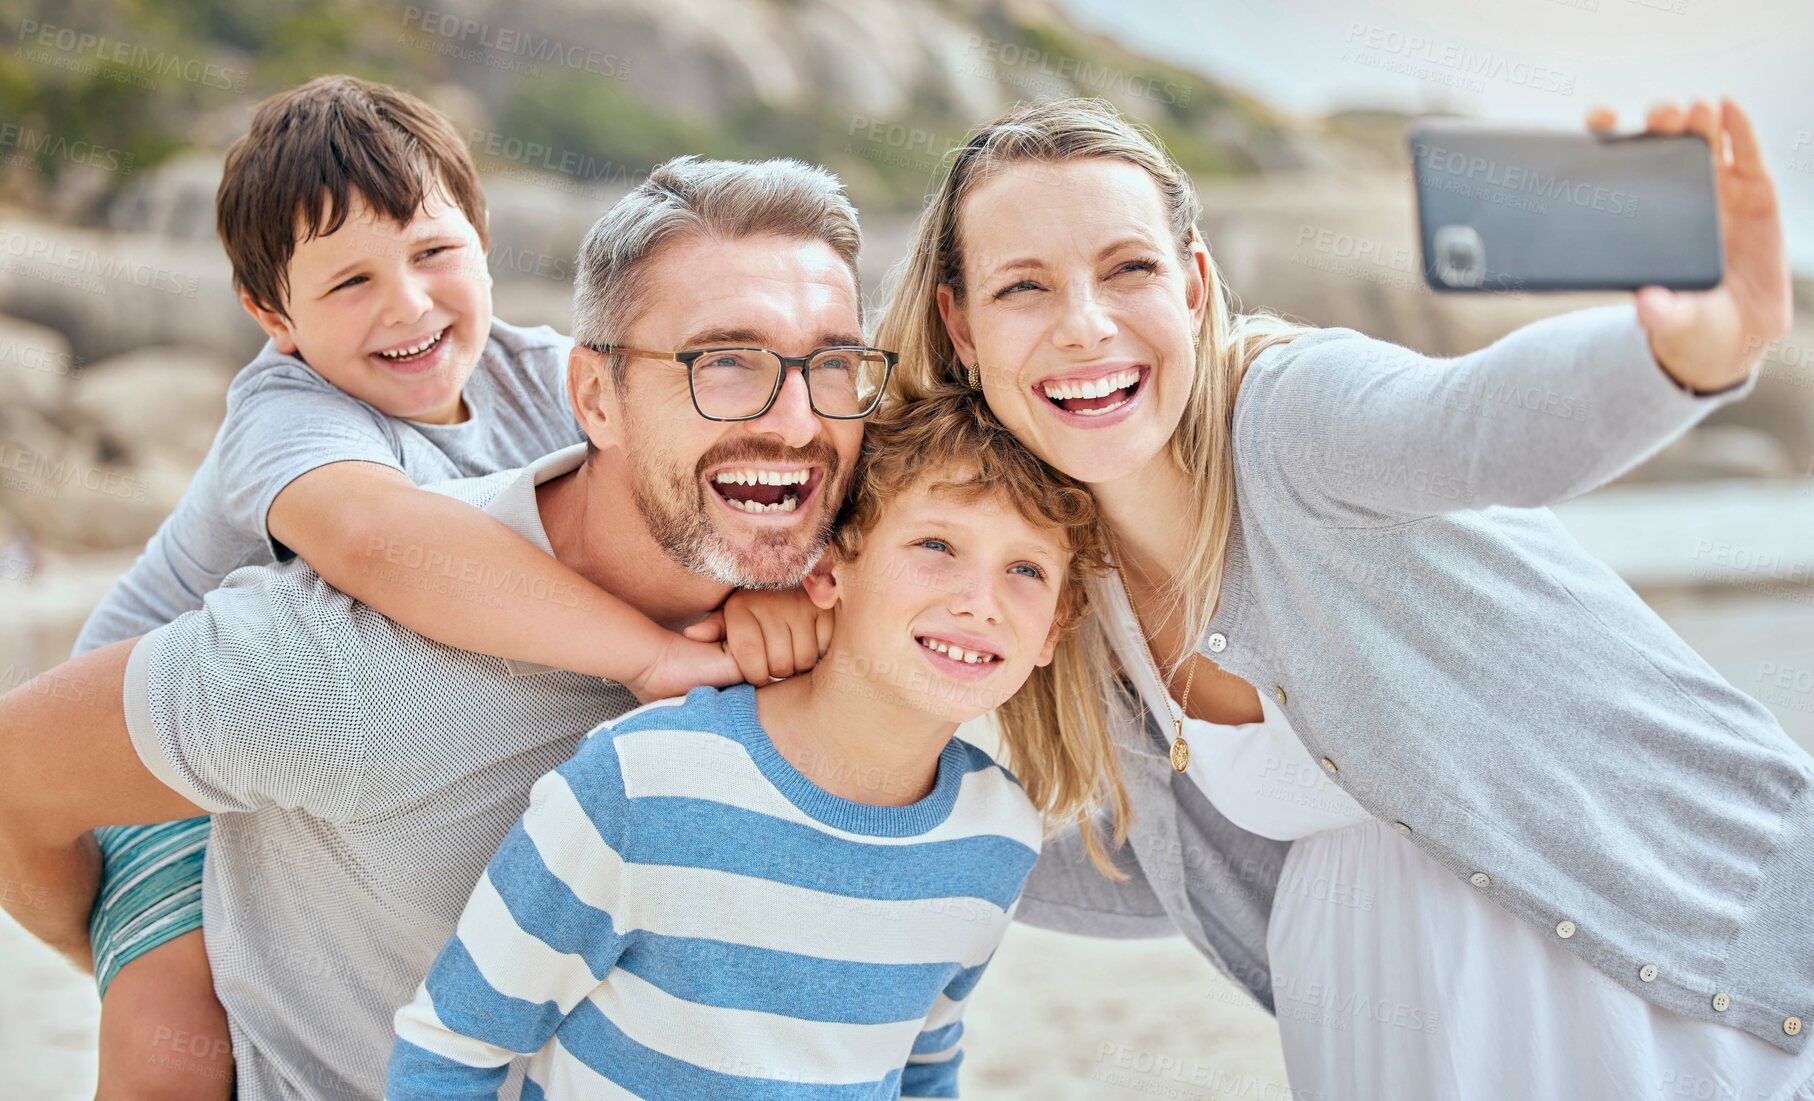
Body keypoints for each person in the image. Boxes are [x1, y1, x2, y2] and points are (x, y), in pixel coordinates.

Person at [876, 96, 1814, 1098]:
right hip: (1386, 1036)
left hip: (1656, 1002)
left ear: (1192, 287)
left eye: (1128, 268)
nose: (1084, 324)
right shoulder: (1063, 574)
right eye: (1021, 287)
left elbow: (1477, 421)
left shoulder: (1290, 422)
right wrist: (857, 821)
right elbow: (1161, 862)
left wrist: (1684, 355)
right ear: (959, 326)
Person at [0, 152, 877, 1100]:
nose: (795, 420)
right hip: (169, 797)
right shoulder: (332, 637)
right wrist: (110, 929)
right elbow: (374, 539)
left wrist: (776, 569)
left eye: (831, 363)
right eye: (725, 363)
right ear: (595, 402)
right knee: (168, 1029)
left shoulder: (839, 599)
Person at [386, 382, 1124, 1098]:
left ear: (1053, 629)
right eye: (937, 543)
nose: (979, 602)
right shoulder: (642, 784)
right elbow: (453, 1049)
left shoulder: (998, 836)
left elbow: (921, 1066)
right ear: (830, 569)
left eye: (1026, 568)